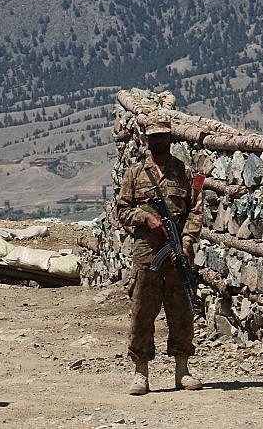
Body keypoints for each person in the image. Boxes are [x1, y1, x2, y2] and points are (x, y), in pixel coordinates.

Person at [115, 114, 204, 395]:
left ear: (170, 138)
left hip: (177, 253)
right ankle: (141, 372)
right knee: (143, 310)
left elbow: (196, 210)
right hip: (147, 253)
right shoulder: (134, 173)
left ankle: (182, 369)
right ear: (147, 139)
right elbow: (122, 211)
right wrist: (145, 218)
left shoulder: (186, 173)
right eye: (154, 137)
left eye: (163, 136)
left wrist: (187, 241)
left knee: (181, 311)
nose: (158, 141)